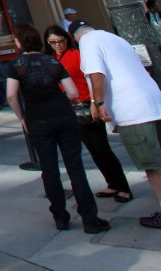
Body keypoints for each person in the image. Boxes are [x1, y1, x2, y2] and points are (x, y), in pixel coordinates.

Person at [73, 19, 161, 230]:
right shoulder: (117, 39)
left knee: (152, 164)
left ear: (76, 37)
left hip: (132, 108)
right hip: (154, 102)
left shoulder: (87, 42)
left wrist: (98, 101)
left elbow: (96, 73)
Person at [6, 23, 109, 234]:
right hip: (63, 114)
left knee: (49, 169)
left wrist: (22, 117)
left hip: (37, 118)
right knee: (75, 167)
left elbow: (11, 95)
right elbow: (71, 91)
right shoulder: (52, 61)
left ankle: (60, 217)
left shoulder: (17, 65)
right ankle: (89, 218)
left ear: (20, 42)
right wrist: (58, 100)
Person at [44, 24, 131, 202]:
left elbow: (92, 77)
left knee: (101, 147)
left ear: (67, 39)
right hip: (70, 108)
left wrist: (95, 101)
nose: (58, 45)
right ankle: (112, 184)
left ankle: (123, 187)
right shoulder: (52, 58)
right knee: (93, 149)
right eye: (53, 42)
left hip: (87, 104)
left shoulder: (77, 55)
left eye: (60, 41)